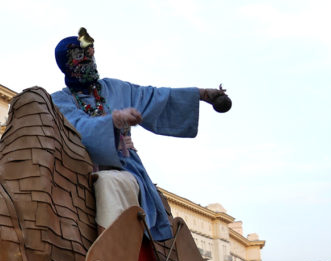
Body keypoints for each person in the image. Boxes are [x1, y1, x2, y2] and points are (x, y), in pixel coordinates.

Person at [50, 28, 230, 244]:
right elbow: (78, 126)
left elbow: (154, 96)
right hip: (76, 170)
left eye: (91, 54)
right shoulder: (59, 101)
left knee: (108, 182)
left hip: (122, 168)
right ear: (67, 64)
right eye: (80, 57)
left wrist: (202, 94)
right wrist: (113, 122)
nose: (89, 60)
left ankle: (109, 259)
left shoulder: (115, 89)